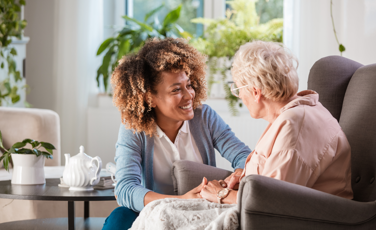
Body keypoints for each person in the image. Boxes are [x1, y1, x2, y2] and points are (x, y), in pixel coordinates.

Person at [102, 38, 252, 230]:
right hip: (152, 211)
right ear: (150, 98)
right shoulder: (133, 128)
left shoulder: (204, 117)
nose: (190, 95)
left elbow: (244, 158)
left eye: (189, 85)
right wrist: (179, 200)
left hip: (200, 210)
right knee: (119, 218)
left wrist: (237, 176)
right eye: (176, 90)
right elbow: (125, 189)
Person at [199, 40, 353, 204]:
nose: (240, 96)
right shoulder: (297, 113)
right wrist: (243, 178)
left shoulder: (294, 124)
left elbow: (272, 201)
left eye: (237, 89)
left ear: (255, 92)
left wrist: (221, 194)